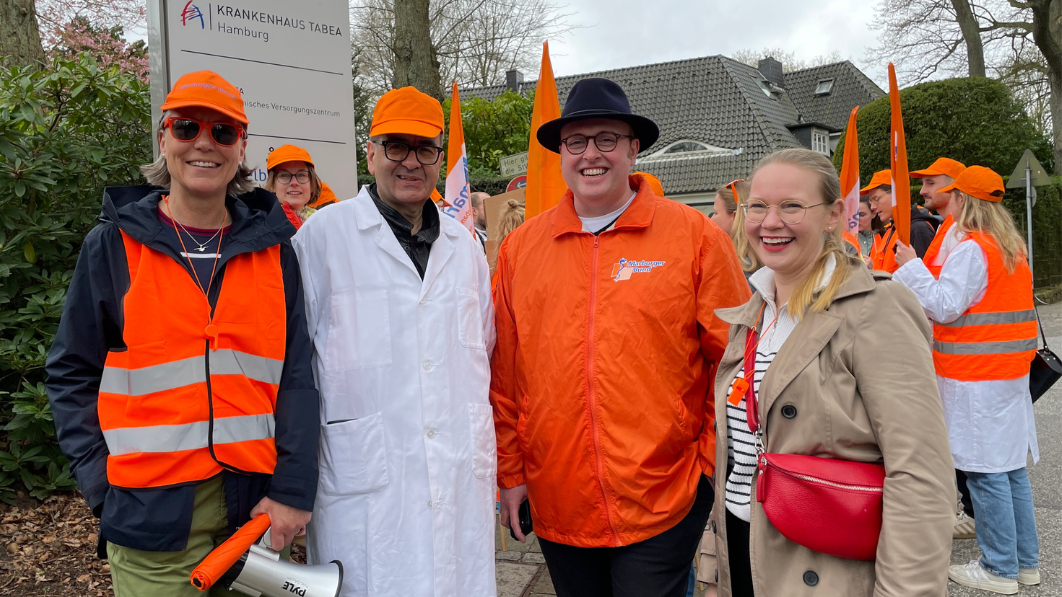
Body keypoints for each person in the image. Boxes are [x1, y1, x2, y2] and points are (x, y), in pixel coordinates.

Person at [45, 70, 320, 595]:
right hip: (151, 520)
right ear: (163, 138)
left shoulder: (274, 250)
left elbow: (298, 378)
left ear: (241, 149)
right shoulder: (112, 245)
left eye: (222, 133)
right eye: (187, 126)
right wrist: (102, 486)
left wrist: (291, 489)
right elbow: (70, 372)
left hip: (255, 512)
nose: (204, 143)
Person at [491, 77, 750, 597]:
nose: (592, 154)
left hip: (665, 496)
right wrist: (511, 473)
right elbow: (505, 375)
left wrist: (706, 467)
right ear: (560, 153)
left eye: (607, 139)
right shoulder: (521, 249)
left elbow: (737, 363)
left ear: (634, 148)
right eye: (577, 142)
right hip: (557, 493)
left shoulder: (695, 238)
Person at [700, 148, 954, 596]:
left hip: (823, 569)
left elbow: (920, 474)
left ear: (834, 214)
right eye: (758, 206)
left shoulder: (876, 308)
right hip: (744, 552)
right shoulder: (754, 311)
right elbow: (738, 457)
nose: (770, 222)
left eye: (792, 206)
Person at [292, 86, 496, 597]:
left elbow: (484, 348)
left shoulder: (466, 247)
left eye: (424, 148)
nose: (410, 162)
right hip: (363, 490)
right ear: (370, 152)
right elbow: (291, 369)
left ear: (439, 157)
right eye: (394, 146)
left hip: (456, 479)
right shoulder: (321, 239)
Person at [892, 166, 1040, 595]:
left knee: (985, 474)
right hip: (1008, 374)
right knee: (1010, 472)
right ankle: (1024, 564)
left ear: (962, 200)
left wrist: (912, 267)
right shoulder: (1010, 246)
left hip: (975, 377)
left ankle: (998, 568)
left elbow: (945, 305)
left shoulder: (973, 248)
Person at [907, 156, 977, 539]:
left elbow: (947, 302)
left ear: (954, 186)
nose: (923, 190)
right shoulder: (950, 228)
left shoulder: (963, 237)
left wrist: (909, 269)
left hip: (968, 361)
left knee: (976, 456)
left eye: (931, 183)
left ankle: (975, 518)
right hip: (953, 355)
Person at [862, 169, 937, 272]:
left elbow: (922, 279)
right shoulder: (890, 230)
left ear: (897, 193)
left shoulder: (918, 229)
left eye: (877, 199)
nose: (873, 207)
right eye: (871, 202)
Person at [265, 144, 322, 230]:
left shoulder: (323, 221)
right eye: (284, 175)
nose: (294, 182)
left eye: (301, 175)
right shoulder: (262, 225)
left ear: (311, 184)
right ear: (272, 185)